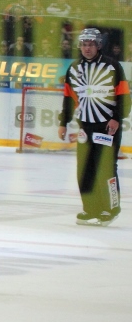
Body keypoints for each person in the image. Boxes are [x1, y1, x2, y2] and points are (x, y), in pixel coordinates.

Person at [58, 28, 130, 226]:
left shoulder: (112, 66)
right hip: (85, 127)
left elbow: (124, 96)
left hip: (107, 126)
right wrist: (63, 122)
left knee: (106, 168)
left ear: (98, 45)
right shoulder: (73, 68)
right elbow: (67, 98)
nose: (87, 48)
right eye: (83, 44)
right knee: (85, 169)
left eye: (91, 44)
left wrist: (117, 118)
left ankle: (111, 208)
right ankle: (91, 209)